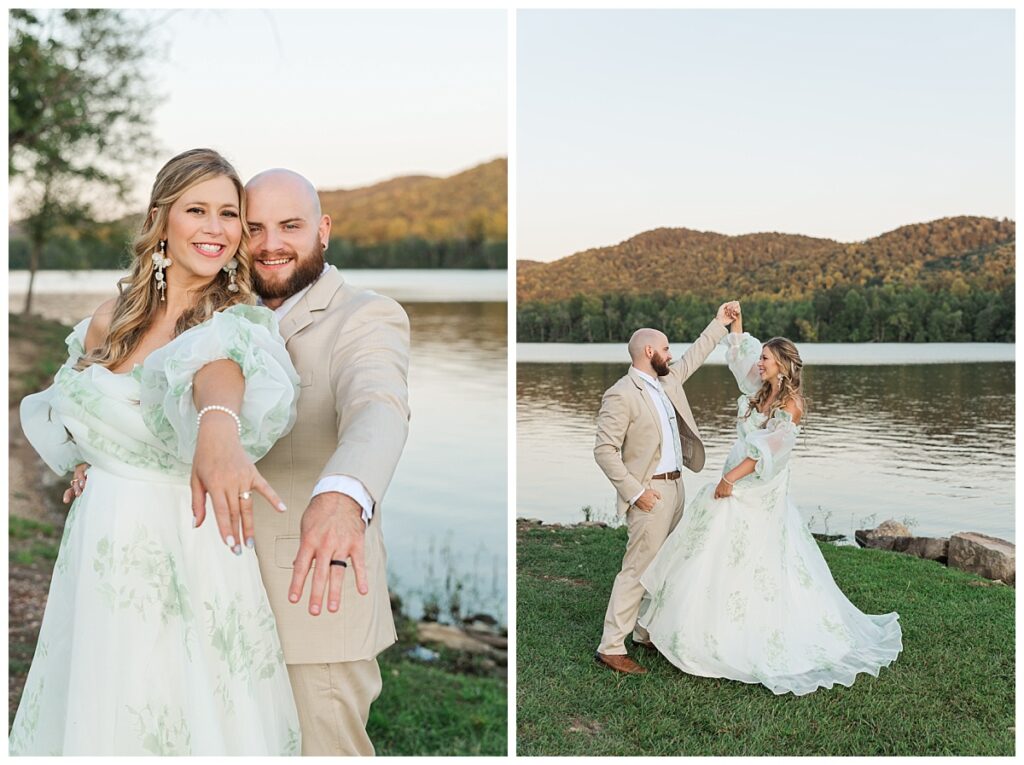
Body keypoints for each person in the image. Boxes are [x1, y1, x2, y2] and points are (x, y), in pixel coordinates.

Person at [10, 148, 302, 755]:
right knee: (99, 702)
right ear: (161, 219)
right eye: (197, 209)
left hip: (188, 542)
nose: (216, 228)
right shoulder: (107, 321)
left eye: (230, 214)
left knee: (180, 706)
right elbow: (78, 405)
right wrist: (90, 458)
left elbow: (216, 377)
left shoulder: (234, 324)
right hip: (100, 543)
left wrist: (218, 432)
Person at [638, 304, 902, 695]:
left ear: (780, 364)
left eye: (765, 358)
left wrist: (730, 479)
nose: (758, 362)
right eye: (760, 357)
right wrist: (735, 322)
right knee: (707, 548)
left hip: (755, 488)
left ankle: (735, 635)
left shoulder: (790, 406)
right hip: (735, 479)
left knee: (745, 556)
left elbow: (770, 452)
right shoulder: (758, 389)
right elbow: (741, 352)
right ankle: (679, 628)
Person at [236, 168, 410, 756]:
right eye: (253, 227)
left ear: (324, 229)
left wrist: (344, 492)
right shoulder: (219, 315)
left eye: (290, 226)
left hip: (311, 597)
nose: (270, 244)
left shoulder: (366, 316)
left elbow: (378, 405)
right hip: (215, 595)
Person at [593, 303, 737, 674]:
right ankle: (611, 646)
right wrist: (635, 492)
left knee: (668, 565)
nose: (672, 354)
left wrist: (720, 324)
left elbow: (695, 355)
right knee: (638, 568)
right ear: (649, 352)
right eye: (667, 349)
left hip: (676, 488)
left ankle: (645, 631)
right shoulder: (621, 393)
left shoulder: (667, 381)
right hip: (649, 493)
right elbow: (604, 450)